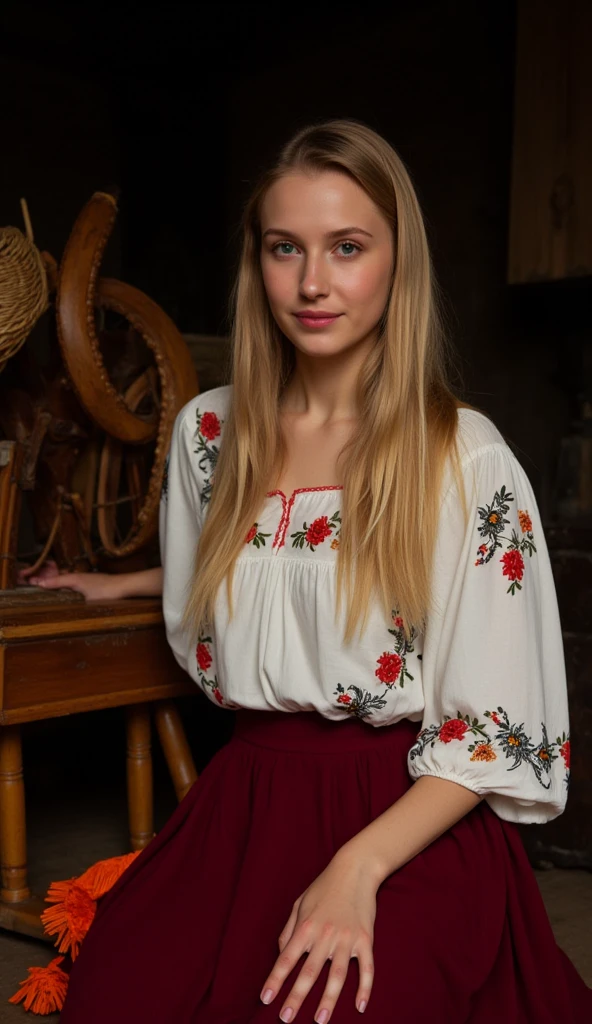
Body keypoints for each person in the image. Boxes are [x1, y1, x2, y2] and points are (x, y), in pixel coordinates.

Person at [26, 119, 592, 1021]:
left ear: (397, 265)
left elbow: (492, 726)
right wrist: (123, 583)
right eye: (285, 248)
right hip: (247, 800)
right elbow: (257, 562)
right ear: (258, 264)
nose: (313, 282)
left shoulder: (461, 456)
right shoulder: (208, 434)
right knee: (118, 987)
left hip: (410, 808)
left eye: (348, 247)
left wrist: (355, 871)